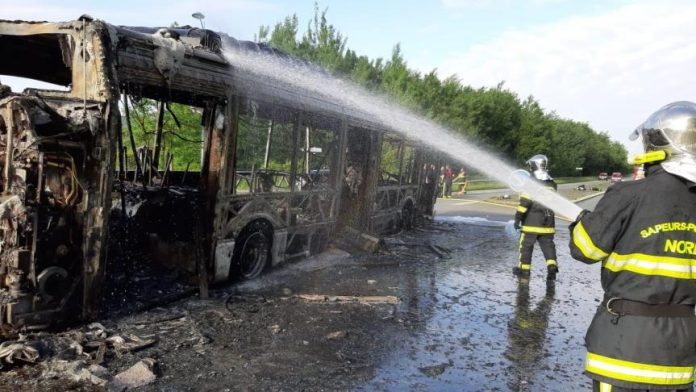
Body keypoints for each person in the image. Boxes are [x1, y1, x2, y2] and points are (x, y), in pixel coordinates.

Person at [568, 101, 696, 392]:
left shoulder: (630, 194)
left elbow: (585, 250)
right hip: (679, 356)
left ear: (657, 145)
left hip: (624, 349)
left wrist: (583, 223)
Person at [513, 154, 558, 279]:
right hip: (548, 224)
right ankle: (552, 266)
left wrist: (517, 219)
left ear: (534, 167)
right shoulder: (552, 183)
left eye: (531, 166)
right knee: (548, 246)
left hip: (531, 224)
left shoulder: (530, 184)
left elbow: (524, 203)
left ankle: (524, 270)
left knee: (526, 246)